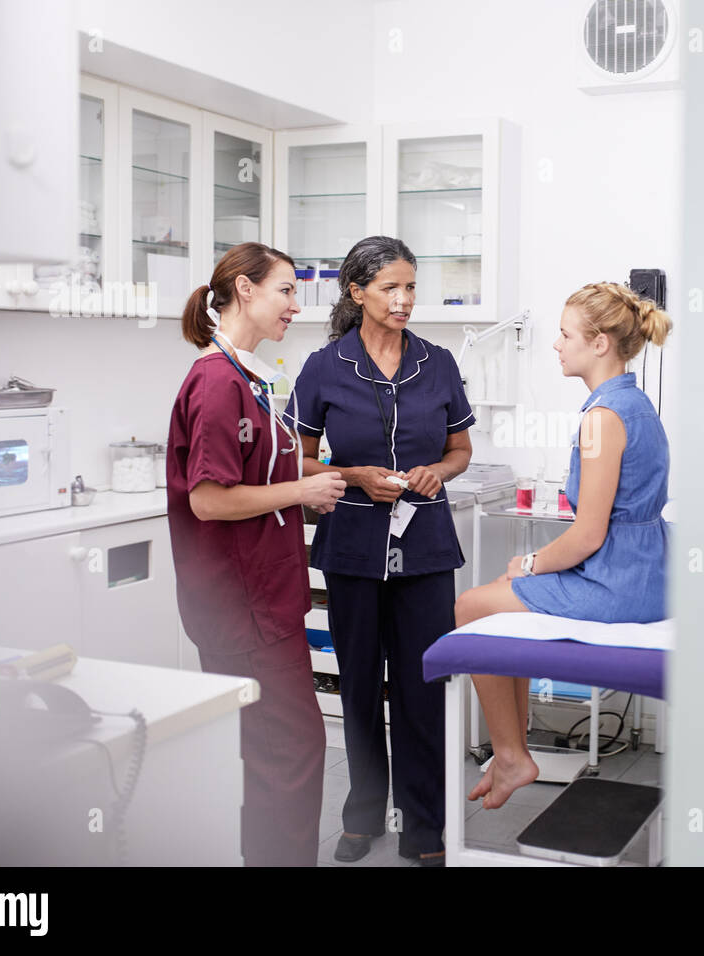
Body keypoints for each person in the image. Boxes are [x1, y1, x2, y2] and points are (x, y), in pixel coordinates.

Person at [454, 282, 673, 810]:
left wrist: (528, 562)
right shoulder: (634, 404)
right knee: (510, 601)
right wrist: (530, 571)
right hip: (647, 573)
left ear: (600, 344)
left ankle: (511, 754)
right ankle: (515, 743)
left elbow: (588, 535)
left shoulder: (603, 418)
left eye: (565, 333)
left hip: (617, 584)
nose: (556, 344)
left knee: (470, 605)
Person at [292, 236, 475, 866]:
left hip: (423, 547)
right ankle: (364, 814)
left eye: (411, 287)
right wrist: (357, 475)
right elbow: (302, 457)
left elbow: (460, 450)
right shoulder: (323, 367)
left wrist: (438, 474)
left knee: (423, 686)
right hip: (352, 545)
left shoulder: (438, 362)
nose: (404, 300)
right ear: (357, 291)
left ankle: (425, 827)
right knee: (360, 686)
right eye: (391, 288)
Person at [166, 242, 347, 866]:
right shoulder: (216, 381)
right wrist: (302, 489)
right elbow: (210, 501)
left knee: (265, 754)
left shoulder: (249, 373)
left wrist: (335, 477)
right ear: (244, 290)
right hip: (242, 607)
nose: (296, 305)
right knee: (293, 750)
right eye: (287, 291)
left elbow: (264, 469)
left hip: (262, 598)